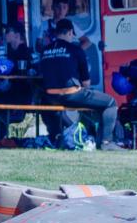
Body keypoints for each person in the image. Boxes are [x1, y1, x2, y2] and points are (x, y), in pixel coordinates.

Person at [39, 18, 124, 150]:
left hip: (50, 98)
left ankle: (56, 136)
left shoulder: (44, 51)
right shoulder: (76, 49)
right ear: (70, 32)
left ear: (56, 33)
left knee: (45, 102)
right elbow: (86, 83)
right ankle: (106, 142)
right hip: (71, 95)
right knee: (110, 103)